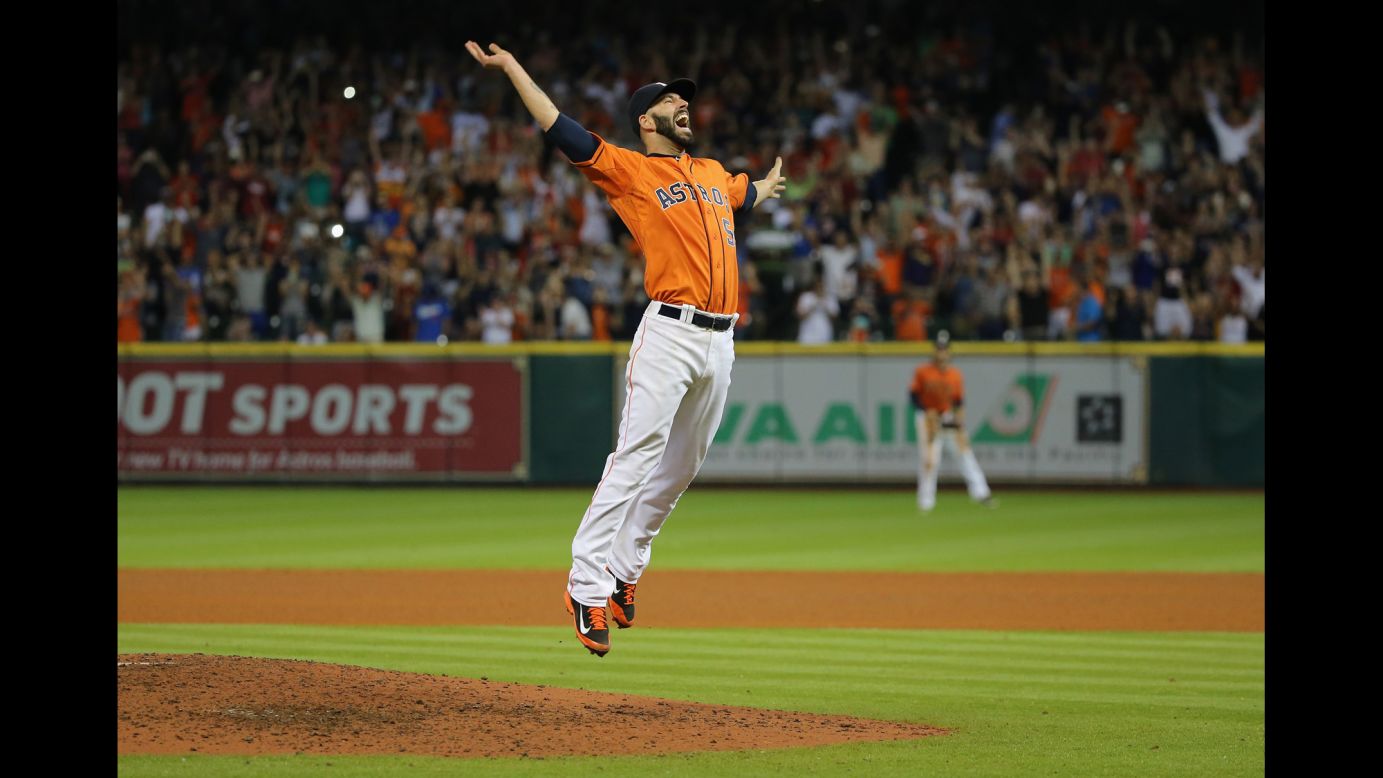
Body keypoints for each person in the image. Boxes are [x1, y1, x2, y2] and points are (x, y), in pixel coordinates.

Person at [467, 41, 786, 657]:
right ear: (647, 121)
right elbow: (559, 129)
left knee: (684, 465)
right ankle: (585, 585)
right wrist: (512, 70)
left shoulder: (715, 174)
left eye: (685, 100)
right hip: (669, 331)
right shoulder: (633, 171)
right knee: (636, 455)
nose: (683, 106)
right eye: (671, 102)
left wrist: (763, 190)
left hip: (721, 342)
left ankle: (624, 569)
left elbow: (742, 194)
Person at [908, 332, 995, 513]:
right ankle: (926, 501)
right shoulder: (922, 371)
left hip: (948, 417)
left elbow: (958, 401)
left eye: (944, 349)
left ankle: (981, 492)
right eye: (938, 349)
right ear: (934, 351)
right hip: (928, 418)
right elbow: (913, 396)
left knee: (965, 453)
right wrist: (925, 412)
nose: (941, 353)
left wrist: (960, 420)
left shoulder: (955, 375)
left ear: (949, 352)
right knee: (930, 460)